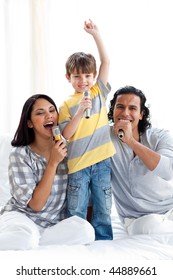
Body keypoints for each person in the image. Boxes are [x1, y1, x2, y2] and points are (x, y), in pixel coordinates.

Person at [0, 94, 95, 250]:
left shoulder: (69, 148)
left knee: (86, 231)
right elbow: (36, 205)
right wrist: (53, 162)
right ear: (29, 123)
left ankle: (33, 241)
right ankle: (26, 239)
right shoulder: (20, 155)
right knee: (25, 239)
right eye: (40, 112)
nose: (49, 115)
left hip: (52, 224)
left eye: (52, 110)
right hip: (23, 217)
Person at [58, 19, 116, 240]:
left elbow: (106, 62)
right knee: (76, 209)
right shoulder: (65, 106)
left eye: (87, 76)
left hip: (101, 162)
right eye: (77, 76)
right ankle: (76, 242)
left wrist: (96, 35)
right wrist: (80, 111)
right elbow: (65, 135)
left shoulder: (98, 92)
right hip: (77, 165)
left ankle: (103, 243)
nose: (83, 81)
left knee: (103, 208)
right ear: (68, 78)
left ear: (93, 77)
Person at [108, 85, 173, 235]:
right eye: (120, 107)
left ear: (141, 114)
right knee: (152, 227)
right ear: (113, 111)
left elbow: (168, 172)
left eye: (132, 108)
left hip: (170, 208)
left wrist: (130, 141)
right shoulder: (105, 138)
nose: (125, 113)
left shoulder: (160, 136)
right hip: (137, 218)